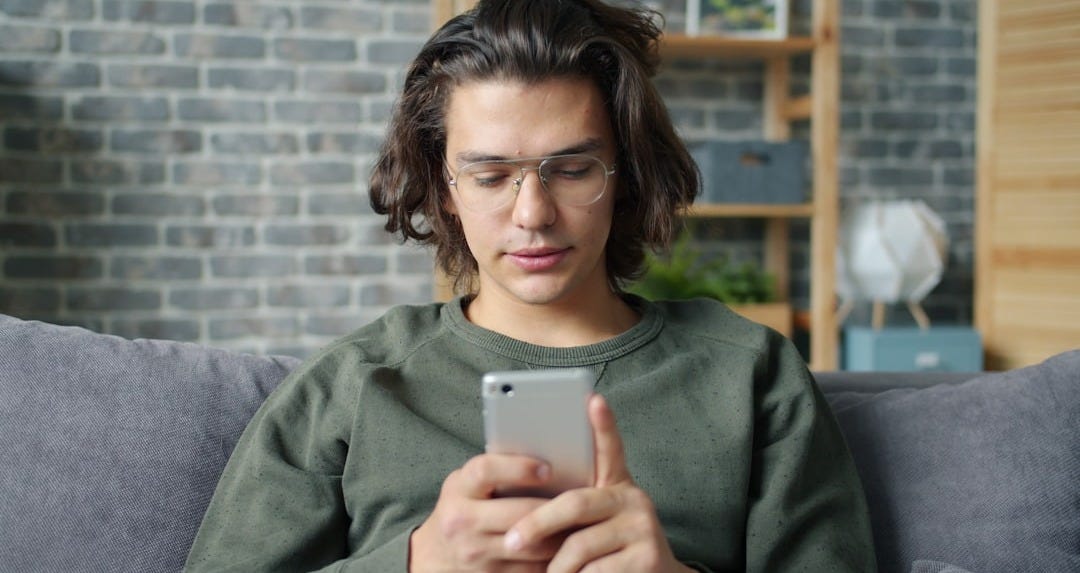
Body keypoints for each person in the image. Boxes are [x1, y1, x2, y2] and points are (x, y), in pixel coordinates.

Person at [185, 0, 876, 571]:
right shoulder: (352, 385)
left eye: (572, 170)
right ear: (444, 188)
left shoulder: (749, 372)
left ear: (624, 173)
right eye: (490, 177)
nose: (533, 213)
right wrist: (416, 561)